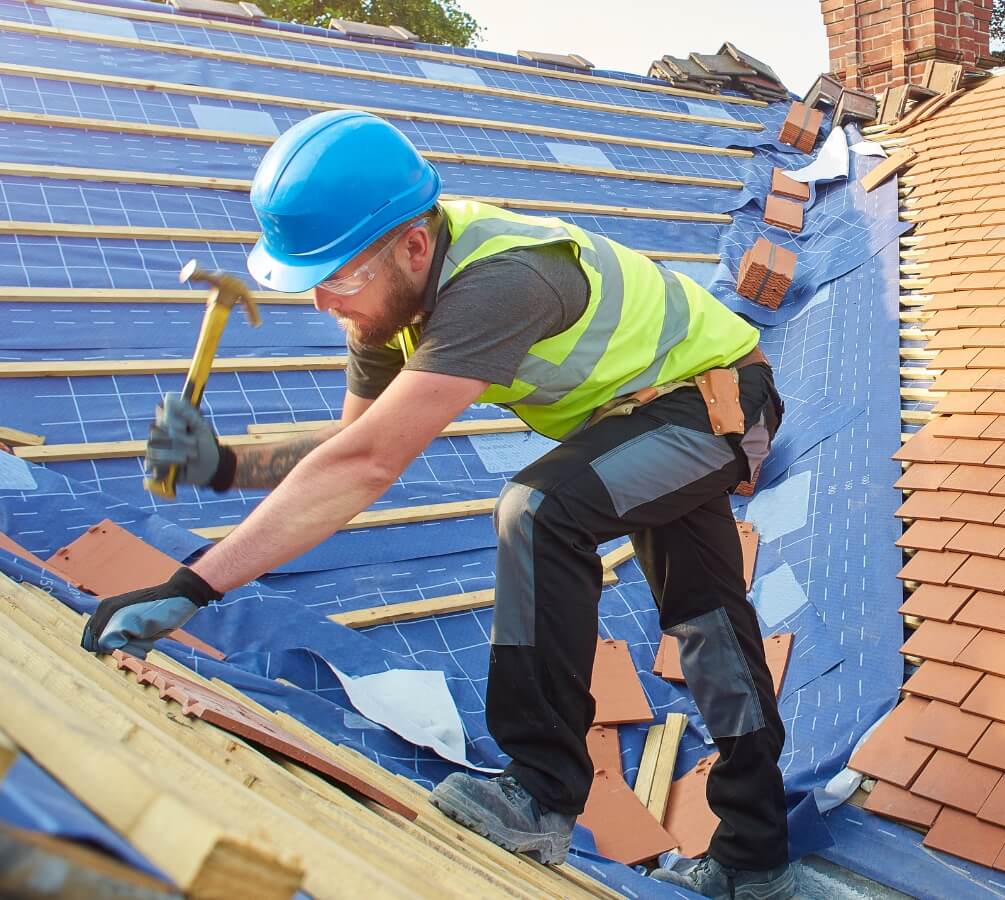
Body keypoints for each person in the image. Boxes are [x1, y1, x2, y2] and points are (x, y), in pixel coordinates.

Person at [80, 110, 793, 899]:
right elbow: (351, 448)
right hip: (643, 416)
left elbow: (366, 467)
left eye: (339, 278)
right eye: (311, 280)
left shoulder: (502, 282)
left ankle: (541, 791)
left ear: (414, 246)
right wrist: (225, 465)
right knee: (708, 623)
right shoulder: (385, 303)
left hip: (719, 401)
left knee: (539, 510)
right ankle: (755, 856)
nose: (324, 303)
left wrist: (192, 587)